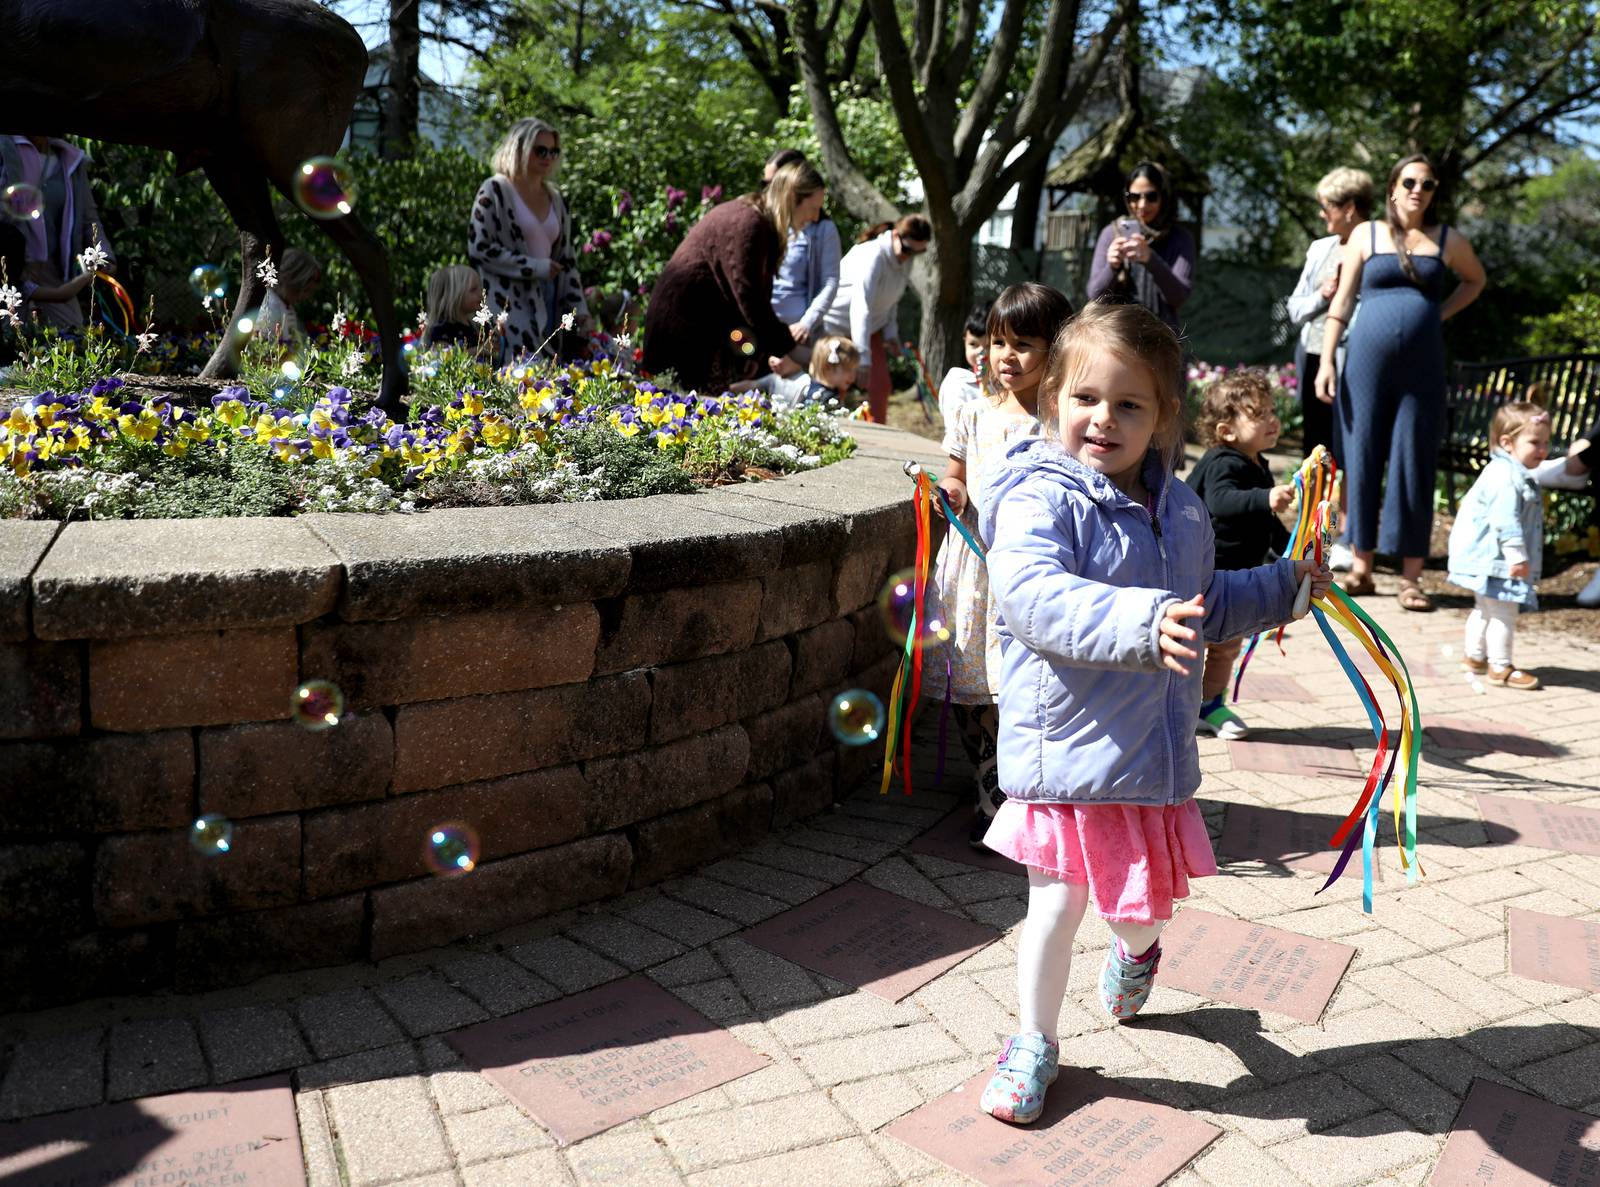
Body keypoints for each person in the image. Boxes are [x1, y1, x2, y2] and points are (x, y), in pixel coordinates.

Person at [974, 300, 1330, 1125]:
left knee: (1142, 913)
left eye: (1129, 403)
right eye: (1087, 398)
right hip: (1063, 751)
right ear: (1053, 395)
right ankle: (1033, 1039)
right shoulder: (1039, 499)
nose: (1104, 419)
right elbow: (1034, 597)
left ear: (1165, 416)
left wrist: (1287, 586)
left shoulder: (1184, 513)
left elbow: (1208, 604)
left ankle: (1138, 956)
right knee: (1055, 906)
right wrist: (1139, 621)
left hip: (1147, 760)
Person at [928, 283, 1075, 846]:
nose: (1006, 357)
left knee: (1023, 685)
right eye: (997, 342)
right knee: (973, 684)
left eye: (1023, 344)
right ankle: (990, 789)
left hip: (1032, 569)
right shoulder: (973, 412)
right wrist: (951, 492)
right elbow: (956, 473)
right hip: (974, 570)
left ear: (1056, 348)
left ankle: (1022, 791)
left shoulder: (1060, 420)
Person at [1315, 154, 1486, 612]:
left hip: (1423, 368)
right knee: (1362, 454)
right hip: (1366, 365)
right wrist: (1326, 360)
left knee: (1415, 459)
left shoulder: (1447, 239)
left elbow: (1475, 280)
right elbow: (1344, 299)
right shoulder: (1367, 234)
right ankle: (1362, 569)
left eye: (1427, 184)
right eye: (1409, 181)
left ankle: (1412, 578)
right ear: (1393, 187)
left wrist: (1437, 314)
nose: (1418, 189)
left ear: (1433, 193)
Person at [642, 160, 822, 393]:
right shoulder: (748, 222)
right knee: (680, 415)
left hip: (703, 334)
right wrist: (790, 348)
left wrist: (750, 351)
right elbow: (749, 297)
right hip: (682, 335)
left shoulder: (760, 224)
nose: (816, 217)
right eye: (814, 208)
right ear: (792, 198)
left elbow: (738, 299)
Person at [1182, 370, 1295, 739]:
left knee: (1224, 646)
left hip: (1232, 577)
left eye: (1271, 411)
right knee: (1192, 644)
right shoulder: (1223, 462)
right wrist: (1266, 498)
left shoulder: (1257, 463)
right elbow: (1222, 502)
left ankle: (1208, 705)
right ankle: (1176, 705)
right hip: (1206, 576)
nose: (1272, 420)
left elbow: (1264, 525)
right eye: (1258, 414)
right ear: (1227, 431)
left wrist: (1292, 555)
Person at [1446, 402, 1553, 689]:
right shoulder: (1506, 476)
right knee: (1504, 611)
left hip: (1486, 557)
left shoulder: (1508, 469)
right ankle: (1500, 666)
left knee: (1485, 607)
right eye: (1535, 442)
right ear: (1507, 442)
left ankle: (1475, 656)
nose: (1543, 450)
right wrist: (1517, 556)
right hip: (1499, 559)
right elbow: (1505, 519)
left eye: (1546, 442)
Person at [468, 117, 591, 361]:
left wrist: (581, 311)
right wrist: (534, 267)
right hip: (508, 301)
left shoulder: (554, 197)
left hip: (549, 299)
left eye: (554, 151)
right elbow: (479, 248)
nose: (548, 156)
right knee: (518, 372)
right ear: (519, 148)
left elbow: (567, 260)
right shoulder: (495, 189)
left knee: (548, 378)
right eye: (540, 150)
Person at [1285, 168, 1372, 467]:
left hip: (1358, 362)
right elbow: (1295, 309)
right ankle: (1315, 513)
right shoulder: (1320, 249)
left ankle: (1349, 514)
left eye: (1326, 207)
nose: (1322, 215)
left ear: (1349, 209)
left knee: (1351, 452)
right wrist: (1323, 295)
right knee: (1316, 451)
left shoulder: (1378, 247)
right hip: (1315, 358)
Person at [822, 214, 932, 423]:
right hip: (836, 326)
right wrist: (863, 359)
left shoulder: (904, 260)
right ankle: (828, 429)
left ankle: (878, 431)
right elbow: (861, 307)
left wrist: (891, 335)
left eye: (919, 252)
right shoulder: (873, 255)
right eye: (908, 250)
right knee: (835, 384)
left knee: (881, 386)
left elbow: (892, 300)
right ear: (895, 235)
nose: (909, 256)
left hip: (869, 328)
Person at [0, 135, 116, 330]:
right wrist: (19, 262)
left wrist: (103, 255)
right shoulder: (5, 148)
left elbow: (89, 217)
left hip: (54, 269)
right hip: (11, 268)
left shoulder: (70, 159)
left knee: (71, 334)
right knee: (9, 334)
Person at [1086, 162, 1194, 337]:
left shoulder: (1180, 238)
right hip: (1117, 339)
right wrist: (1112, 266)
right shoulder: (1112, 233)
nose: (1142, 205)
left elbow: (1178, 297)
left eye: (1151, 197)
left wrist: (1150, 259)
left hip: (1163, 341)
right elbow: (1095, 295)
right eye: (1134, 197)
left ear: (1163, 197)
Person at [764, 149, 841, 366]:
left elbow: (830, 281)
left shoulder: (822, 229)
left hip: (801, 335)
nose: (768, 191)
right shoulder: (762, 225)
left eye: (773, 183)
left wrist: (806, 324)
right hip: (763, 332)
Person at [731, 334, 859, 409]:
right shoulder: (822, 396)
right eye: (849, 370)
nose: (854, 376)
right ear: (829, 367)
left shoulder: (824, 391)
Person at [937, 301, 992, 432]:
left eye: (988, 346)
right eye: (973, 344)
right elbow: (955, 428)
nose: (980, 352)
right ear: (965, 341)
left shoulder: (1010, 384)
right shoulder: (959, 383)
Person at [254, 248, 321, 347]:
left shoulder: (285, 304)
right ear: (292, 281)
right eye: (306, 290)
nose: (307, 296)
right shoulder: (270, 306)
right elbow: (261, 344)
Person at [422, 264, 483, 350]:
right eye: (473, 289)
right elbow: (443, 358)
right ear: (452, 297)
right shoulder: (442, 329)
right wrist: (480, 350)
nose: (481, 293)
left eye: (480, 287)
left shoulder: (474, 325)